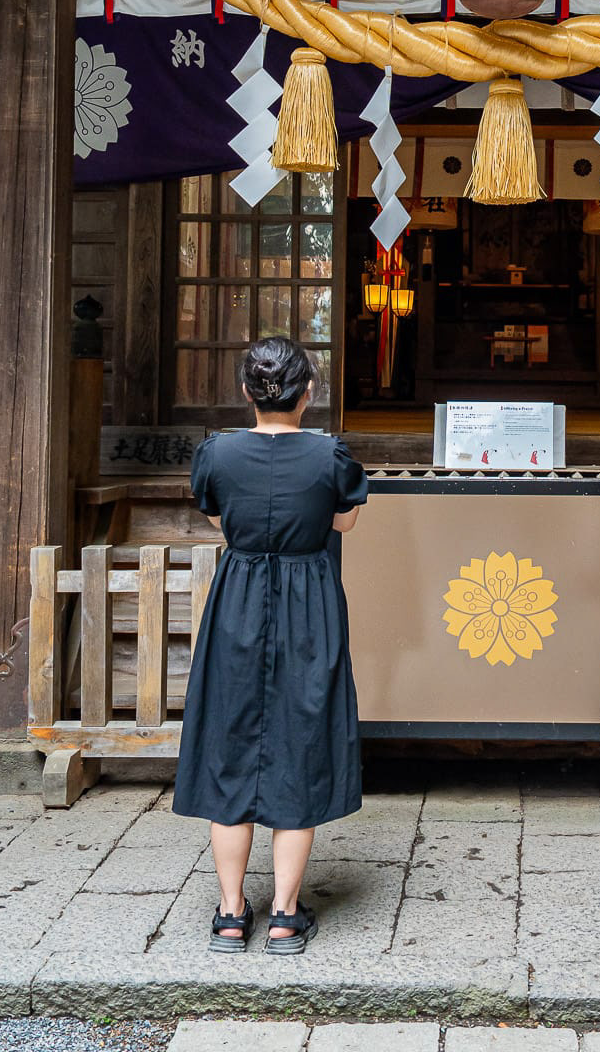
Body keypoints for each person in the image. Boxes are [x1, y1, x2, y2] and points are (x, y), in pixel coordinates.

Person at [172, 336, 368, 955]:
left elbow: (216, 518)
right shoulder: (330, 455)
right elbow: (345, 520)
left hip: (238, 597)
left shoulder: (217, 454)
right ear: (307, 393)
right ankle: (284, 912)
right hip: (309, 599)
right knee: (302, 741)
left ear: (247, 392)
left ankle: (231, 913)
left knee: (229, 743)